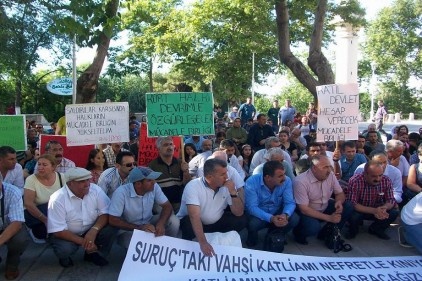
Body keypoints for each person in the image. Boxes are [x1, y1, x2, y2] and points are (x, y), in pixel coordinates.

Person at [47, 168, 116, 268]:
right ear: (70, 184)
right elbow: (58, 231)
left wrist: (94, 230)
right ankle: (65, 258)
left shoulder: (95, 190)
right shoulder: (57, 198)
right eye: (81, 181)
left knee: (111, 227)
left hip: (91, 228)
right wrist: (86, 242)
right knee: (65, 249)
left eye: (88, 180)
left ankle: (93, 254)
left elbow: (105, 213)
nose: (87, 184)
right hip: (68, 234)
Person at [177, 159, 247, 256]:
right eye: (223, 174)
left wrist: (233, 193)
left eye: (226, 173)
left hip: (215, 222)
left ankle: (221, 244)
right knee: (188, 221)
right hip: (195, 223)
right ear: (210, 177)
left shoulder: (227, 185)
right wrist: (203, 243)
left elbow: (238, 212)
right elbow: (194, 217)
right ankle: (189, 250)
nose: (227, 177)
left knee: (241, 219)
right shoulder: (193, 186)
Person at [108, 167, 179, 249]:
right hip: (128, 229)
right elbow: (113, 219)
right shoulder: (121, 192)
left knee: (174, 221)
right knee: (136, 247)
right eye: (149, 180)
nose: (154, 182)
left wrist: (161, 223)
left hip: (149, 222)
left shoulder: (154, 187)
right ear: (138, 184)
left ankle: (167, 247)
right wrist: (140, 228)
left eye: (153, 179)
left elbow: (167, 206)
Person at [293, 155, 353, 245]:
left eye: (329, 166)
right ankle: (299, 233)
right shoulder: (300, 181)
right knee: (313, 227)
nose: (329, 170)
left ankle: (328, 233)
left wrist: (339, 202)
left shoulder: (330, 175)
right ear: (314, 168)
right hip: (308, 211)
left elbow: (340, 193)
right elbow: (304, 209)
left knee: (348, 205)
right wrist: (329, 218)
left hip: (324, 204)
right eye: (325, 167)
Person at [245, 161, 299, 249]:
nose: (284, 178)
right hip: (259, 213)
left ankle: (275, 234)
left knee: (294, 218)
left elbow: (289, 203)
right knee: (253, 224)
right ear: (268, 177)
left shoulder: (287, 181)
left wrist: (285, 215)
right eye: (280, 176)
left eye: (284, 174)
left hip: (277, 211)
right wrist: (271, 218)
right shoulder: (252, 182)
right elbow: (252, 207)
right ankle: (252, 236)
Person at [346, 161, 399, 240]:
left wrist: (384, 208)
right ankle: (353, 229)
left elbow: (391, 200)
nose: (377, 179)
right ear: (365, 174)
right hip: (361, 210)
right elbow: (353, 204)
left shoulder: (386, 180)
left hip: (378, 209)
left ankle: (376, 228)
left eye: (380, 175)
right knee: (352, 213)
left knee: (395, 211)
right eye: (374, 176)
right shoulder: (355, 181)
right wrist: (374, 211)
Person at [23, 154, 65, 242]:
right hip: (38, 214)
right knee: (41, 234)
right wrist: (45, 220)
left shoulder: (62, 177)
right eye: (39, 164)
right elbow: (28, 204)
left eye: (44, 165)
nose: (40, 167)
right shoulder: (31, 179)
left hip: (58, 212)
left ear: (53, 167)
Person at [148, 137, 191, 211]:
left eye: (171, 144)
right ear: (159, 149)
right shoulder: (152, 165)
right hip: (161, 204)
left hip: (178, 202)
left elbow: (187, 184)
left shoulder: (181, 163)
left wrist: (185, 172)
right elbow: (149, 187)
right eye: (166, 145)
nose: (169, 147)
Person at [0, 178, 30, 280]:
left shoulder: (13, 191)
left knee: (20, 239)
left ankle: (12, 264)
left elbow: (17, 223)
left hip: (9, 225)